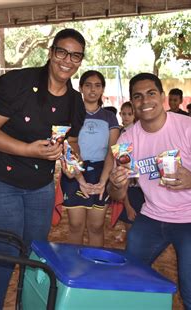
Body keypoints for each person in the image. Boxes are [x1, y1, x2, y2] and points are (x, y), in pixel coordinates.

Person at [0, 28, 86, 309]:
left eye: (75, 55)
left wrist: (71, 163)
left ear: (81, 60)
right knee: (7, 251)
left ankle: (26, 304)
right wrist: (27, 149)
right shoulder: (17, 83)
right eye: (61, 51)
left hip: (40, 184)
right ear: (50, 52)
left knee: (35, 253)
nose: (67, 60)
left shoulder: (74, 101)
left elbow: (70, 140)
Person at [107, 73, 191, 310]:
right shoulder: (127, 139)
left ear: (163, 97)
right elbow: (116, 195)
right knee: (128, 277)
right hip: (153, 216)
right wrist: (116, 182)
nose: (145, 101)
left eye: (151, 93)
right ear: (132, 103)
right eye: (138, 96)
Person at [60, 70, 120, 247]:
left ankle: (95, 270)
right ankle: (73, 269)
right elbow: (68, 146)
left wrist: (103, 181)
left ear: (102, 89)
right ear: (80, 88)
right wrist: (79, 178)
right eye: (88, 85)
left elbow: (112, 151)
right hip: (75, 173)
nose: (93, 90)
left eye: (97, 85)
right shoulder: (70, 115)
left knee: (96, 226)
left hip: (102, 173)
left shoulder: (110, 117)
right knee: (75, 225)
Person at [115, 101, 144, 243]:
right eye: (123, 114)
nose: (126, 117)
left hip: (136, 181)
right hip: (128, 181)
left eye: (129, 114)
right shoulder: (122, 132)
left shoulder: (135, 133)